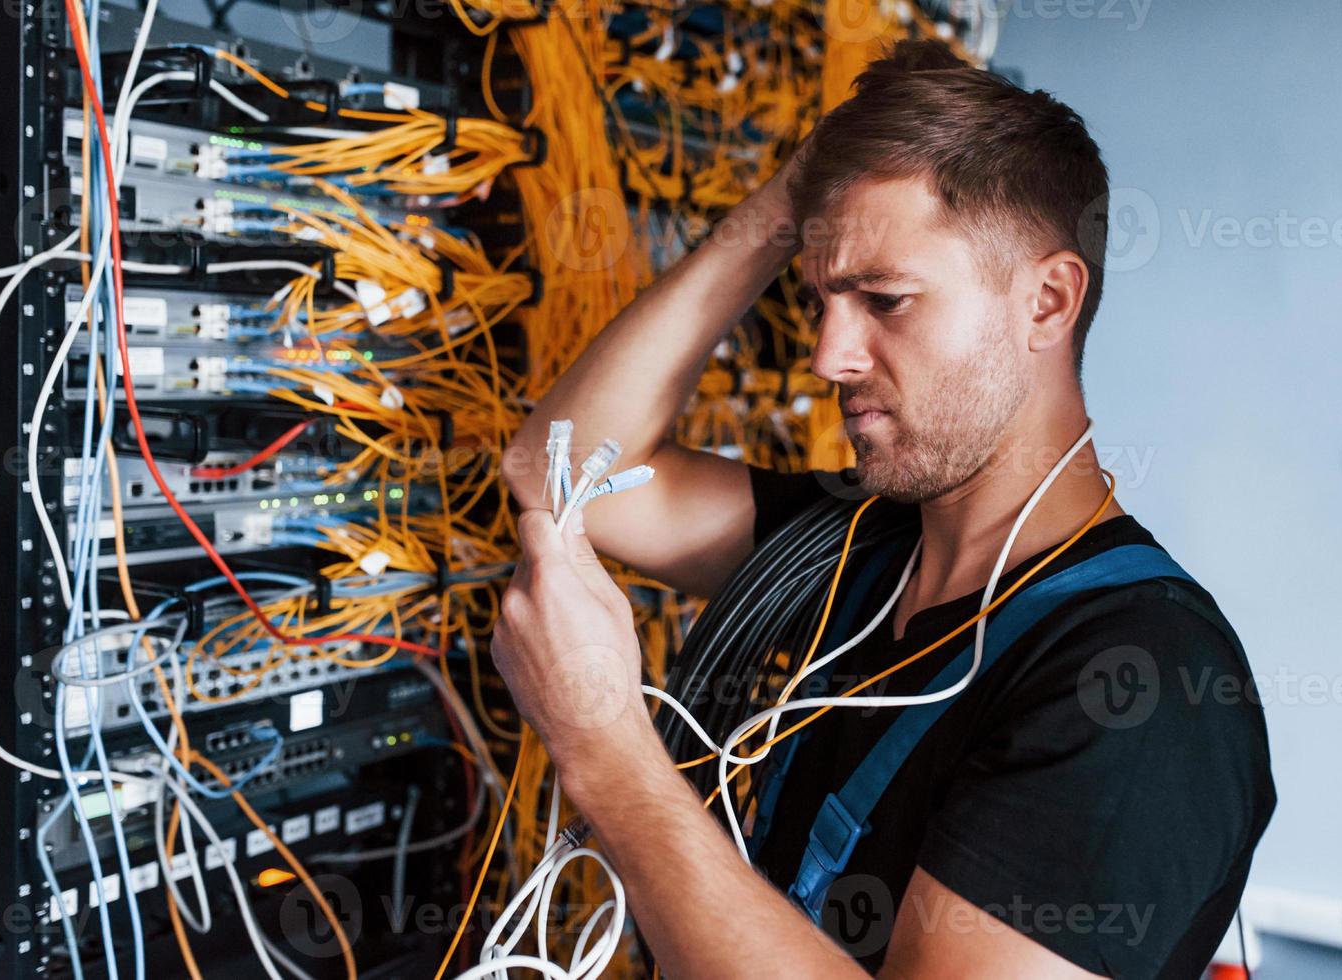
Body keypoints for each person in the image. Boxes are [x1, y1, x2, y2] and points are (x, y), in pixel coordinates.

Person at [493, 40, 1275, 979]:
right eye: (823, 298)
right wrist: (790, 204)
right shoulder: (857, 542)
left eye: (886, 300)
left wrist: (607, 753)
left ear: (1048, 301)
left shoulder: (1138, 684)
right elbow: (559, 472)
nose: (830, 357)